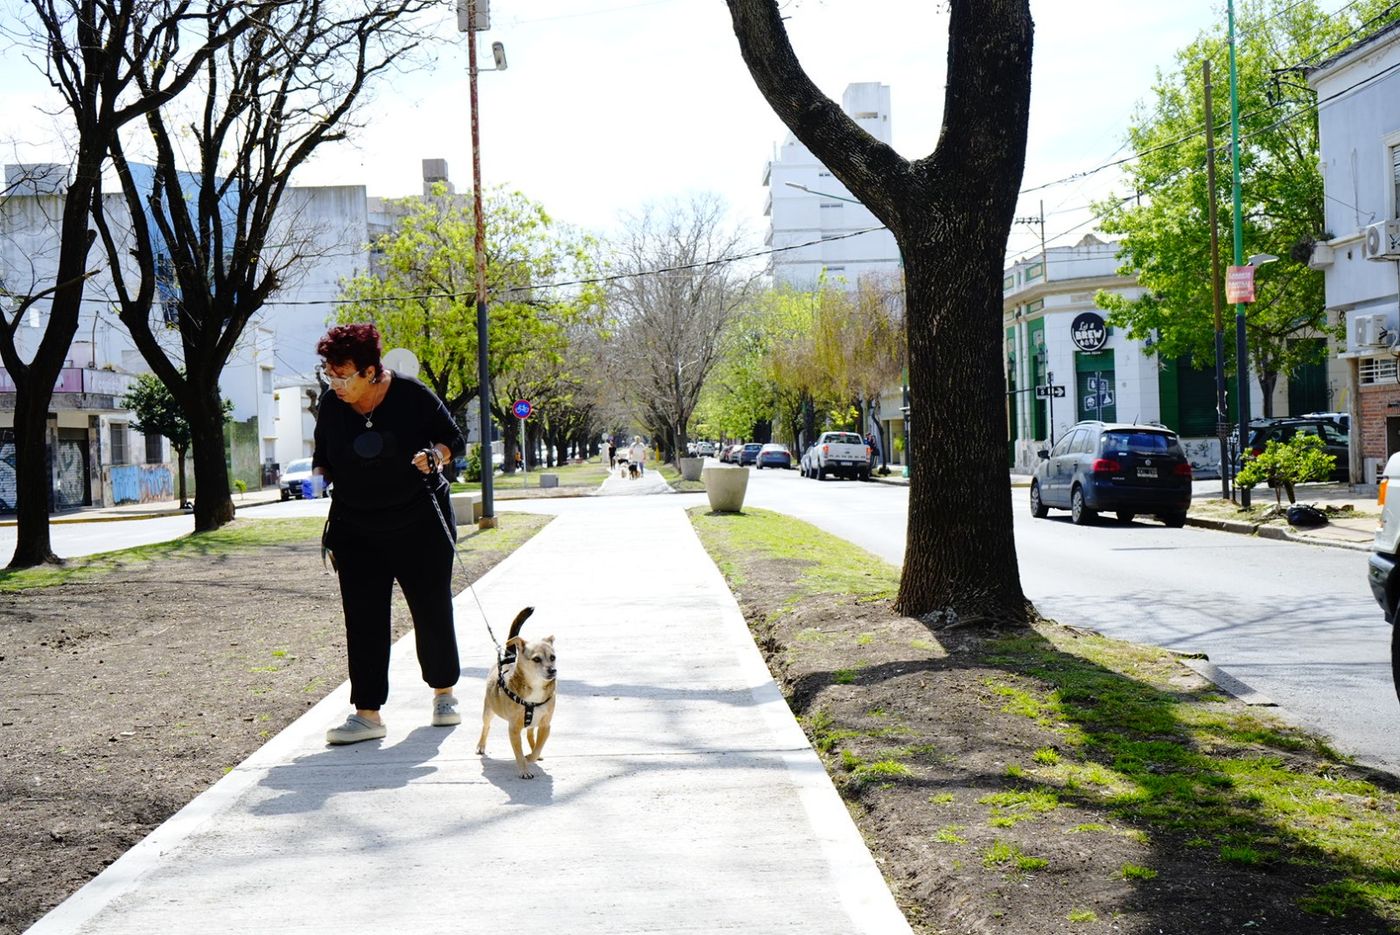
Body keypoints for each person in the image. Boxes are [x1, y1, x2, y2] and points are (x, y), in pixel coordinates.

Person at [313, 323, 467, 745]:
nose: (336, 384)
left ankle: (444, 694)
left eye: (343, 376)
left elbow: (453, 438)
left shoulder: (413, 395)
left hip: (420, 523)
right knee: (363, 619)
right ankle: (367, 714)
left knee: (431, 609)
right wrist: (318, 477)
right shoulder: (331, 405)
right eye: (329, 374)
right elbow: (323, 455)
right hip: (356, 526)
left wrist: (435, 455)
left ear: (369, 371)